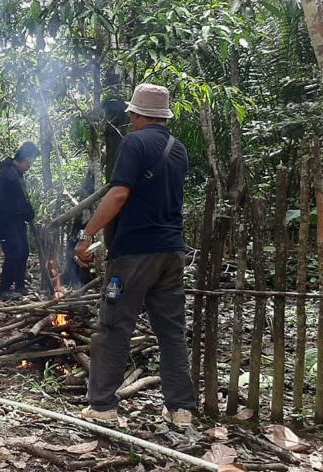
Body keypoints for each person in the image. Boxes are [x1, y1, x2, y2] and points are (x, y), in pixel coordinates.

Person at [75, 84, 196, 427]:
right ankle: (180, 409)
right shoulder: (179, 150)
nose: (130, 118)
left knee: (114, 326)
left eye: (132, 113)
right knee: (172, 331)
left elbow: (118, 195)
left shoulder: (135, 143)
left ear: (139, 115)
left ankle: (102, 406)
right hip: (172, 253)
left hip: (134, 255)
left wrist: (87, 234)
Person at [0, 142, 40, 300]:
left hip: (18, 221)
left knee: (23, 252)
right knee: (13, 254)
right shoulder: (6, 173)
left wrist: (29, 215)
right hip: (6, 222)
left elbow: (22, 199)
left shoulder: (18, 173)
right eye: (29, 162)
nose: (29, 166)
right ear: (24, 158)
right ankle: (4, 288)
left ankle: (20, 284)